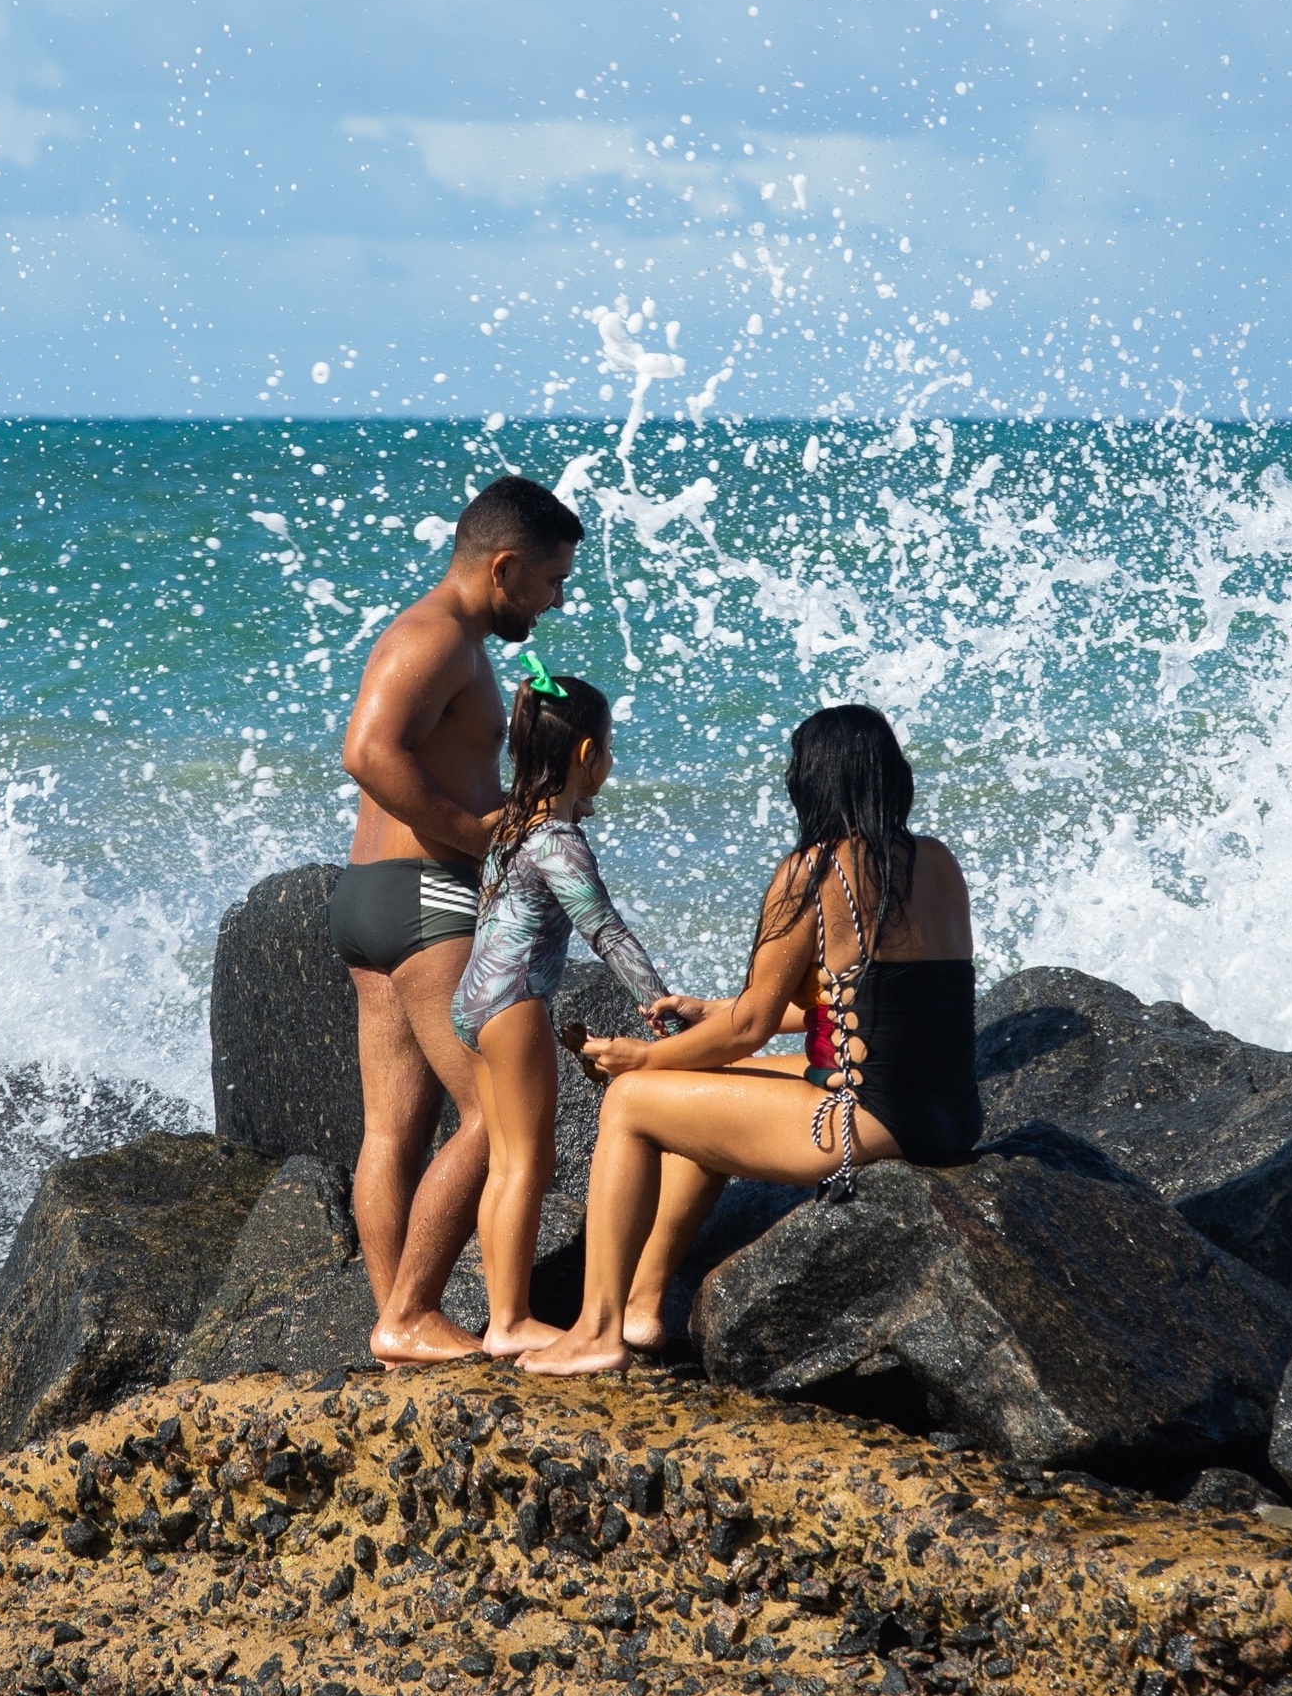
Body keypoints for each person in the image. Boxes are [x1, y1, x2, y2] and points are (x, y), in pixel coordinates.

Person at [520, 703, 979, 1378]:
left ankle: (596, 1330)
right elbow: (879, 1002)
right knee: (706, 1097)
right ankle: (643, 1307)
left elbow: (750, 1028)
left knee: (634, 1102)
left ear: (811, 782)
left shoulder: (815, 871)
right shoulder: (938, 863)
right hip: (950, 1118)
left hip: (864, 1120)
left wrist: (639, 1059)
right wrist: (712, 1010)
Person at [332, 473, 584, 1364]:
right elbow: (367, 749)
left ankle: (395, 1324)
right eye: (551, 582)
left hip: (372, 899)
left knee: (393, 1130)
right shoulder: (434, 635)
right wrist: (475, 834)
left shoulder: (455, 644)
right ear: (505, 567)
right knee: (496, 1115)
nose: (554, 603)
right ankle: (409, 1313)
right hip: (425, 896)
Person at [449, 662, 669, 1357]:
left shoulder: (514, 826)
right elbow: (606, 932)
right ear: (585, 754)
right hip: (514, 1005)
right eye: (607, 748)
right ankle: (509, 1322)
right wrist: (656, 1007)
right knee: (526, 1165)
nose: (610, 761)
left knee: (505, 1161)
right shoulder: (560, 844)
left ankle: (502, 1316)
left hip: (473, 999)